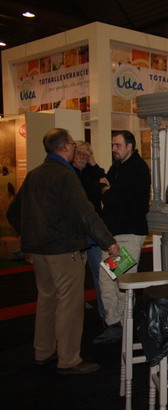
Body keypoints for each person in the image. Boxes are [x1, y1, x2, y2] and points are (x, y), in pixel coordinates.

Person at [7, 128, 119, 375]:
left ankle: (43, 352)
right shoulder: (65, 176)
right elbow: (86, 213)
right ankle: (69, 359)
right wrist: (108, 242)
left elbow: (13, 213)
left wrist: (31, 235)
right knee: (70, 304)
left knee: (47, 300)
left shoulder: (34, 175)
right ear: (66, 146)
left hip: (39, 252)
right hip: (64, 249)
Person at [93, 130, 151, 345]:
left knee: (114, 280)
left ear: (130, 146)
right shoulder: (118, 166)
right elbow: (104, 188)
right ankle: (118, 324)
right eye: (113, 145)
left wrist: (106, 189)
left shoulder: (137, 169)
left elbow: (112, 197)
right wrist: (105, 188)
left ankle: (118, 325)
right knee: (113, 280)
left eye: (117, 145)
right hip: (114, 235)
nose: (114, 149)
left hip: (127, 235)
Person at [72, 140, 107, 320]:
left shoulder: (93, 172)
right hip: (74, 232)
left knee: (100, 271)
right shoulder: (68, 173)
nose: (82, 157)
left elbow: (105, 181)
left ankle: (104, 311)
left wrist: (93, 163)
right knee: (74, 274)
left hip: (93, 231)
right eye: (79, 152)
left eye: (86, 154)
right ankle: (75, 307)